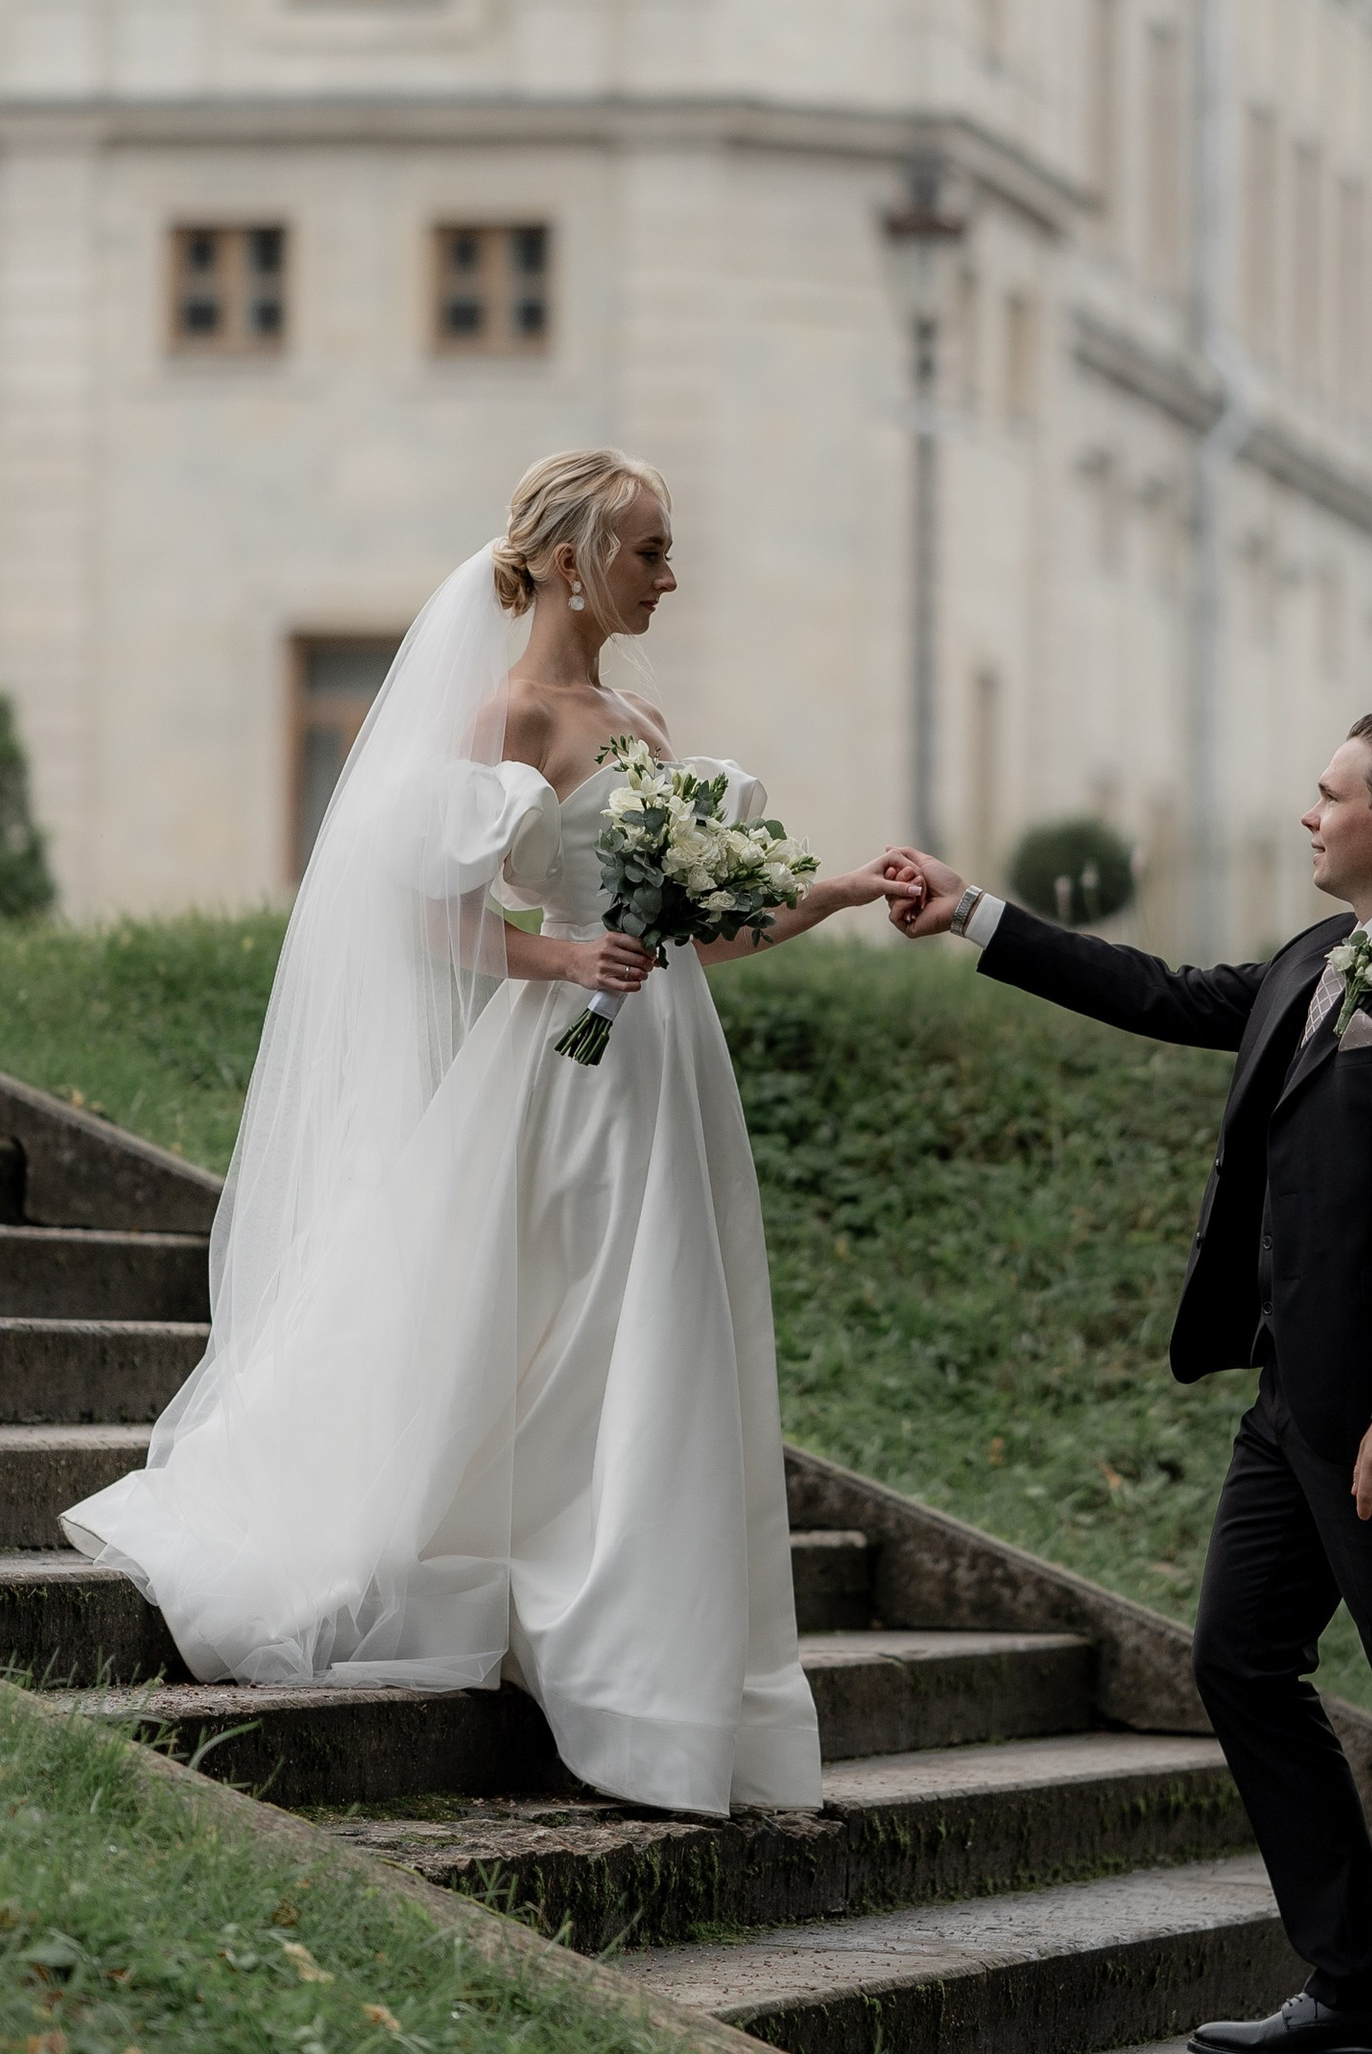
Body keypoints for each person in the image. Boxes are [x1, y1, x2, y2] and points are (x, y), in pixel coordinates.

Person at [69, 448, 905, 1820]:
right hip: (569, 1082)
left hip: (673, 1076)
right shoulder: (509, 717)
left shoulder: (641, 714)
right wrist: (565, 959)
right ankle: (591, 1642)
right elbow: (418, 915)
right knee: (569, 1330)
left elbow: (710, 930)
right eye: (649, 549)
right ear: (573, 558)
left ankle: (660, 1666)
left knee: (666, 1337)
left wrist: (848, 888)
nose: (670, 575)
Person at [884, 712, 1372, 2054]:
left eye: (1329, 794)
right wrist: (976, 916)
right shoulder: (1311, 964)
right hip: (1289, 1408)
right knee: (1239, 1660)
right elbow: (1159, 990)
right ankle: (1356, 1989)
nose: (1305, 813)